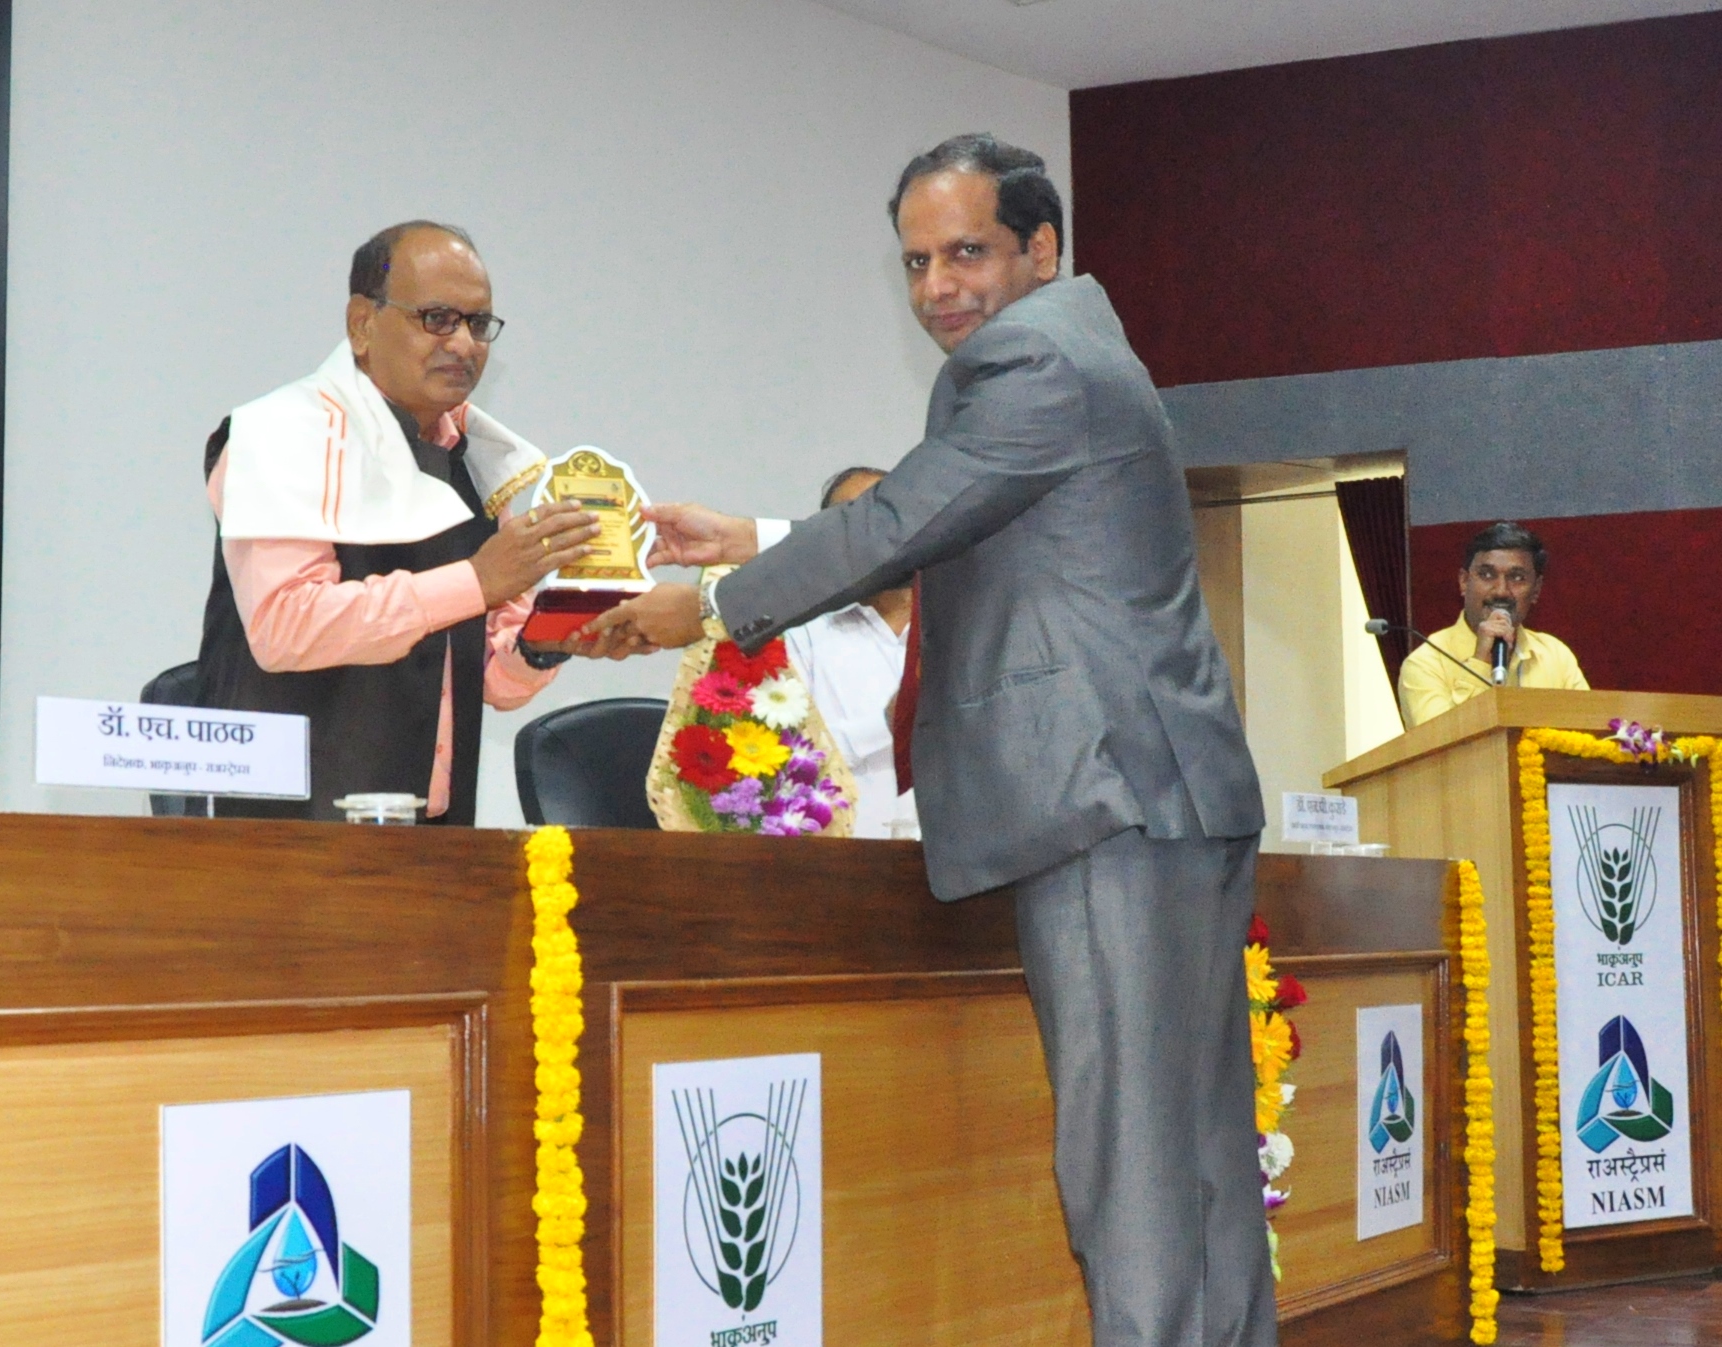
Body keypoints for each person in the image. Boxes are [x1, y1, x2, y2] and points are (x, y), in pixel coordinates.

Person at [592, 135, 1272, 1346]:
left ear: (1040, 248)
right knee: (1195, 1152)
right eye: (915, 262)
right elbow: (948, 513)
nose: (938, 288)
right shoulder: (1084, 352)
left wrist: (704, 604)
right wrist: (751, 536)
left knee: (1129, 1166)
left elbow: (903, 519)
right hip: (1163, 796)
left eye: (966, 253)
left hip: (1100, 800)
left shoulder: (1033, 358)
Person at [194, 220, 600, 822]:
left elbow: (492, 678)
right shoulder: (280, 432)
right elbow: (285, 627)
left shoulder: (478, 458)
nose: (463, 344)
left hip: (433, 829)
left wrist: (547, 637)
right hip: (289, 832)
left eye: (477, 323)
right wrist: (476, 582)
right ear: (362, 323)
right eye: (437, 318)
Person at [782, 467, 919, 839]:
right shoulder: (799, 632)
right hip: (838, 854)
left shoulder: (963, 627)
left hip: (953, 861)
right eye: (854, 524)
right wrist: (888, 722)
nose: (875, 538)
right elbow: (784, 765)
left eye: (887, 520)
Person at [1397, 520, 1589, 727]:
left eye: (1517, 578)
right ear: (1464, 582)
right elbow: (1442, 740)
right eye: (1487, 575)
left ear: (1536, 590)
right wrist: (1481, 662)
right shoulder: (1426, 663)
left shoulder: (1555, 655)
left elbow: (1589, 735)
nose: (1501, 591)